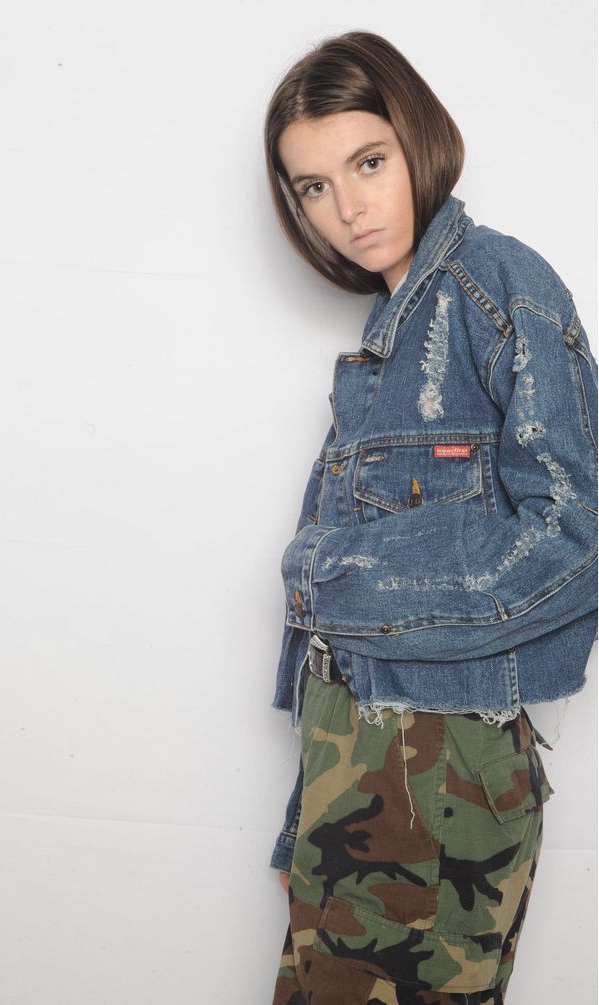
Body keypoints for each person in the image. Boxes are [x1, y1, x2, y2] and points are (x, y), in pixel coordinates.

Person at [263, 30, 597, 1005]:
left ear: (416, 137)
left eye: (367, 162)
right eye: (314, 185)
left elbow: (575, 537)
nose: (348, 208)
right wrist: (305, 821)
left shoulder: (499, 289)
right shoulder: (386, 338)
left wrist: (342, 583)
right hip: (359, 774)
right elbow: (337, 644)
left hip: (438, 777)